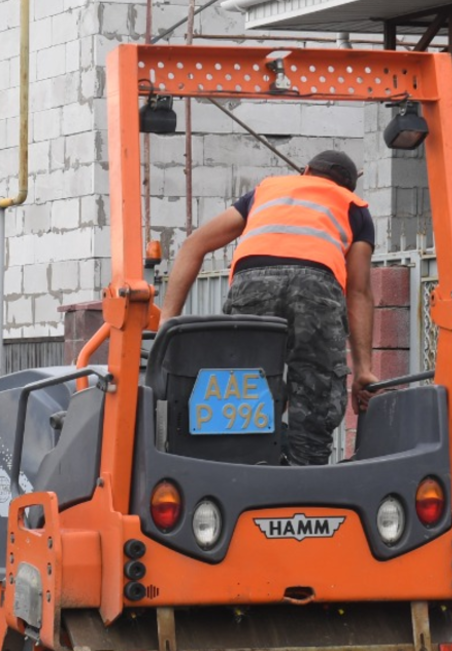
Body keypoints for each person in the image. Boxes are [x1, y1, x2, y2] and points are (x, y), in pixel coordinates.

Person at [157, 150, 377, 466]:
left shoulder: (265, 192)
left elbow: (194, 244)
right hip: (316, 287)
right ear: (349, 186)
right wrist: (363, 369)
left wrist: (167, 321)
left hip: (251, 283)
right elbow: (359, 290)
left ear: (306, 171)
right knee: (315, 389)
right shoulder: (353, 207)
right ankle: (305, 478)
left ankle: (243, 466)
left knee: (243, 381)